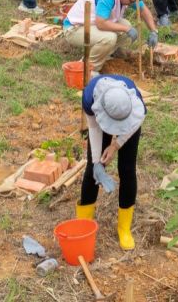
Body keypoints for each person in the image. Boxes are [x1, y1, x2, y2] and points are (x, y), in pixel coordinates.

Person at [76, 75, 147, 251]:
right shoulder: (89, 97)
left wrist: (115, 145)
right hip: (100, 121)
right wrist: (96, 163)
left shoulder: (135, 105)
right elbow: (93, 128)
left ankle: (124, 228)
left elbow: (135, 123)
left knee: (127, 169)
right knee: (93, 169)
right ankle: (83, 223)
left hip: (129, 125)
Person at [64, 0, 159, 70]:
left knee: (126, 25)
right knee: (109, 38)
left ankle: (105, 55)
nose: (131, 4)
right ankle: (89, 68)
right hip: (75, 28)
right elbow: (101, 23)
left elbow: (143, 10)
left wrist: (154, 31)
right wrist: (126, 29)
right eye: (130, 1)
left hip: (92, 23)